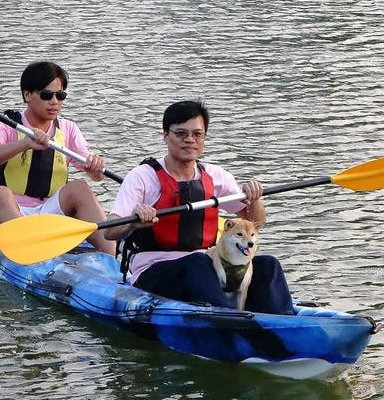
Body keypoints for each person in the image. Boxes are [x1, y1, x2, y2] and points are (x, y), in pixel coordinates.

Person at [104, 100, 295, 315]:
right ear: (165, 135)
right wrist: (133, 220)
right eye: (181, 133)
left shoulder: (215, 176)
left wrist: (255, 198)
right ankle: (226, 322)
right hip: (153, 272)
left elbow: (256, 221)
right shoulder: (142, 177)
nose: (190, 140)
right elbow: (110, 231)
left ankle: (285, 321)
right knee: (198, 261)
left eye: (197, 134)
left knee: (268, 265)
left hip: (209, 267)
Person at [0, 60, 115, 256]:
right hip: (9, 207)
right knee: (0, 193)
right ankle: (27, 250)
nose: (54, 101)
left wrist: (95, 166)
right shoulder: (7, 124)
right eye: (47, 95)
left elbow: (97, 176)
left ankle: (114, 258)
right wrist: (24, 144)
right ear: (27, 95)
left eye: (60, 95)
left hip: (49, 210)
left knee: (80, 187)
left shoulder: (68, 129)